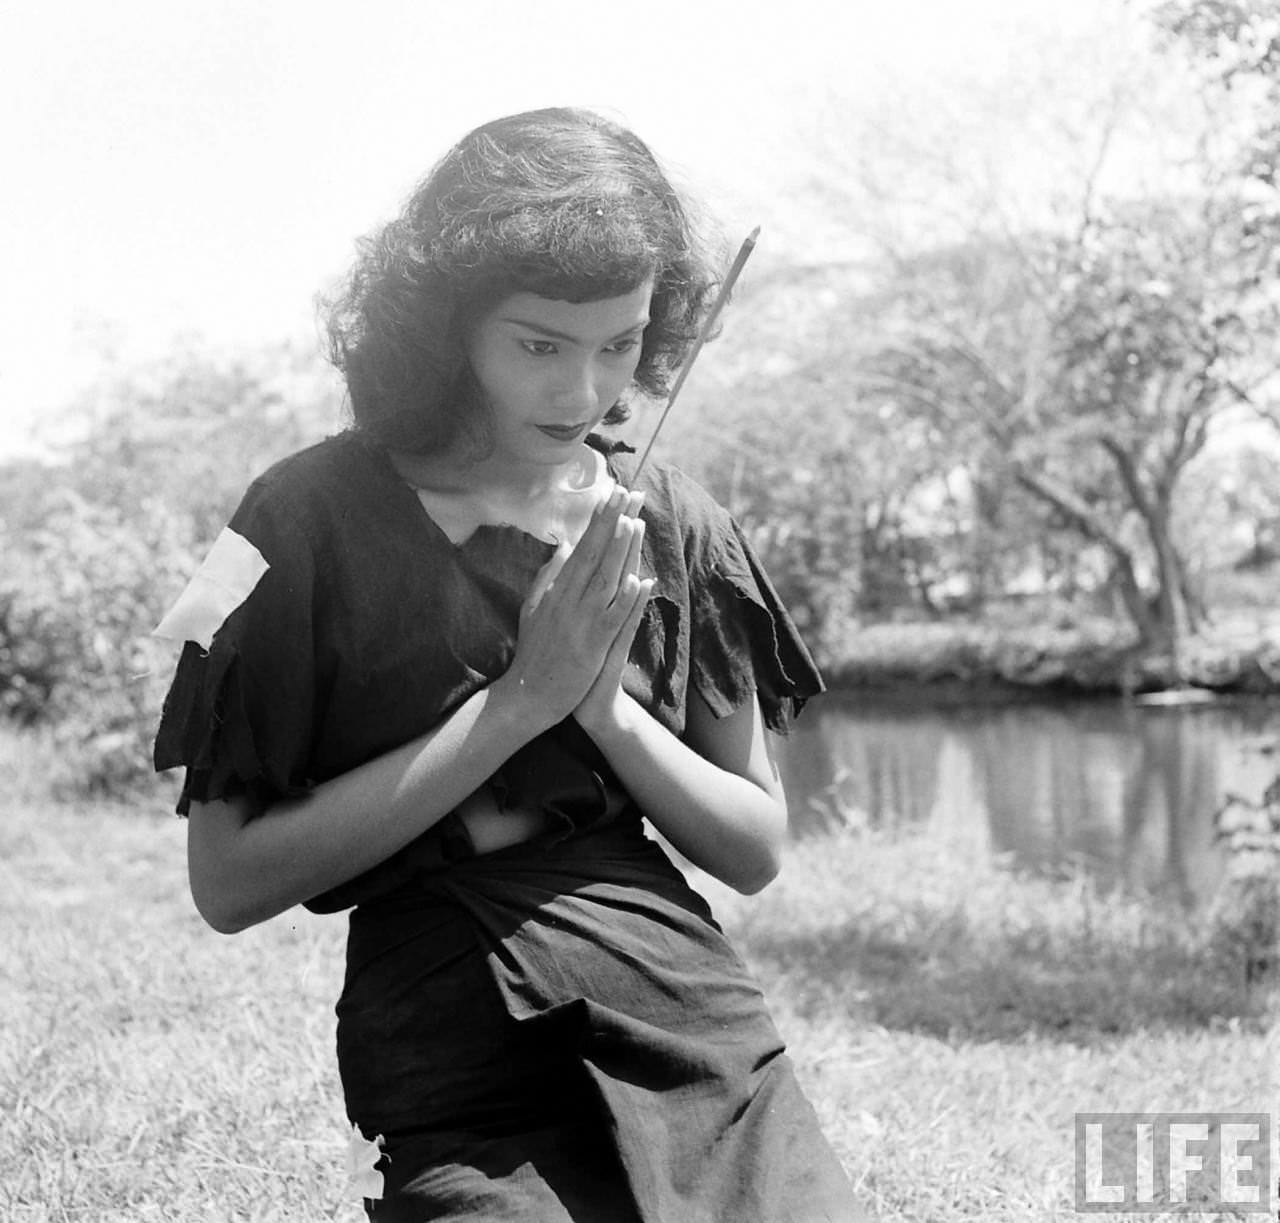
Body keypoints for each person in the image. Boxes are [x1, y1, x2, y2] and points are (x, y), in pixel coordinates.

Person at [155, 106, 864, 1222]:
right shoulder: (296, 520)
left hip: (682, 1006)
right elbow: (228, 882)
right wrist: (515, 703)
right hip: (449, 1029)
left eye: (619, 345)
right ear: (446, 324)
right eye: (539, 343)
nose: (580, 392)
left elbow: (755, 845)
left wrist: (604, 711)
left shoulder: (671, 521)